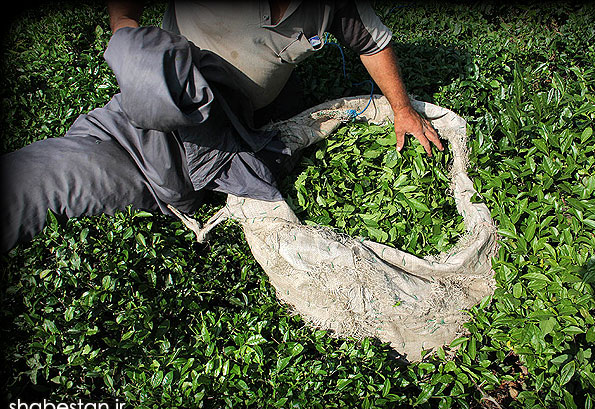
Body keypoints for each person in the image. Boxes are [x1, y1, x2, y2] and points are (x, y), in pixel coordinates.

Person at [0, 0, 443, 253]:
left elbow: (372, 42)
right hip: (139, 129)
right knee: (45, 183)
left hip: (230, 131)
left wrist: (402, 110)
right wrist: (129, 36)